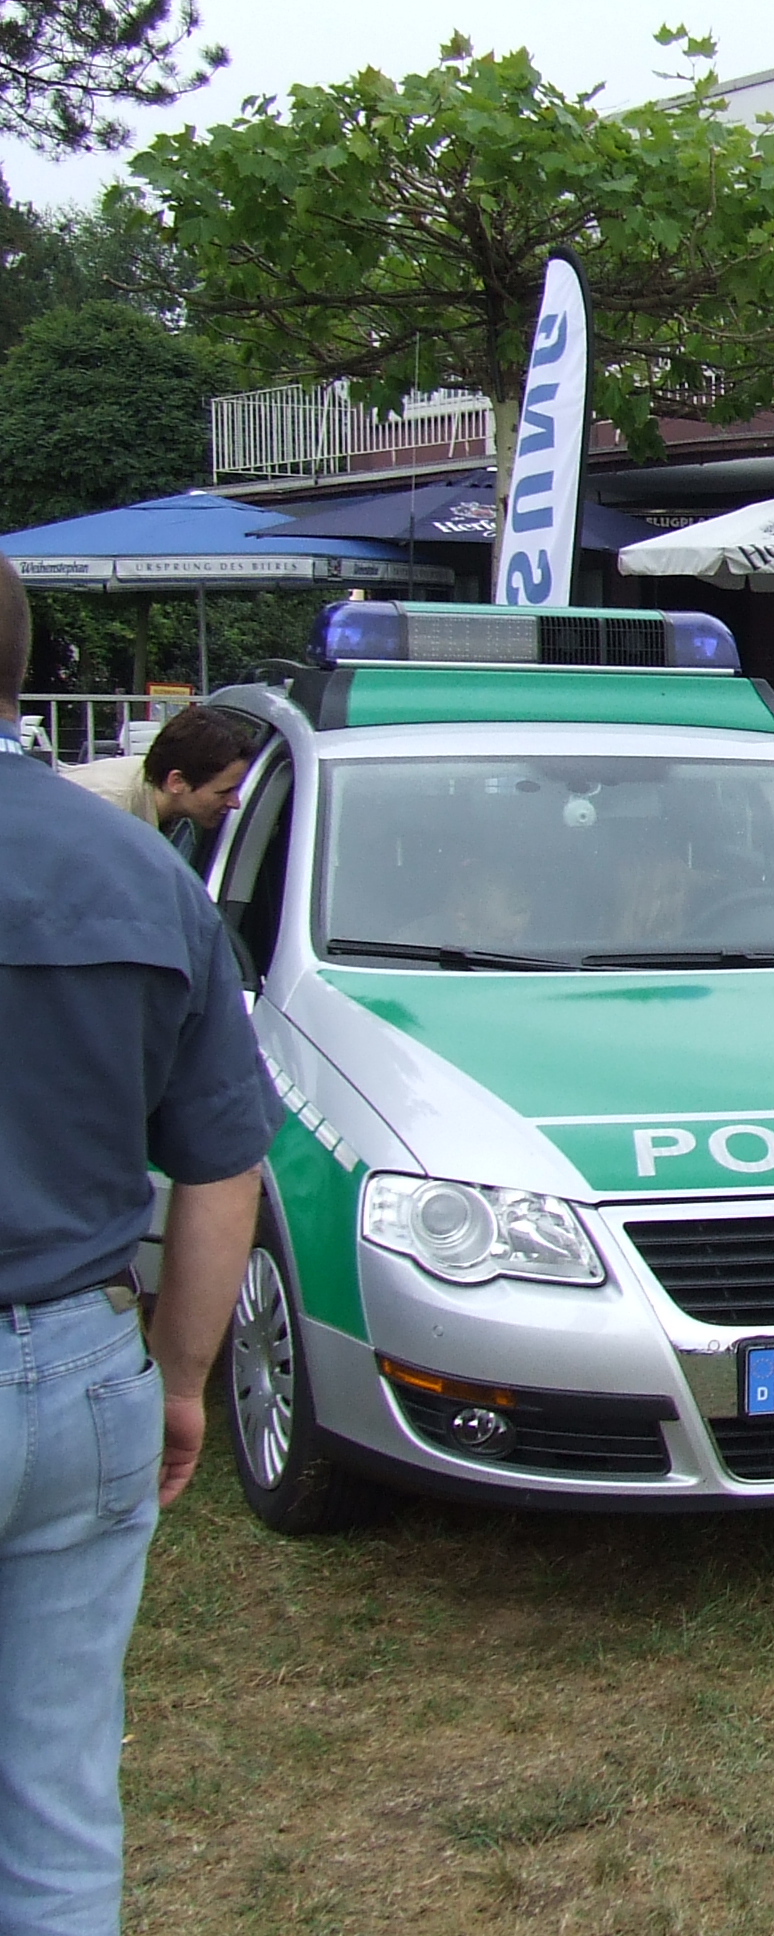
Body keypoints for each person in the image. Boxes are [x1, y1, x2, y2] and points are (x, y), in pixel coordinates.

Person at [0, 559, 282, 1934]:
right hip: (78, 1369)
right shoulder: (136, 871)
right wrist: (182, 1376)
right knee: (56, 1806)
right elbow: (224, 1165)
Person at [62, 704, 261, 869]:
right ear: (177, 782)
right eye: (224, 792)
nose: (235, 803)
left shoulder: (151, 781)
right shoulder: (110, 815)